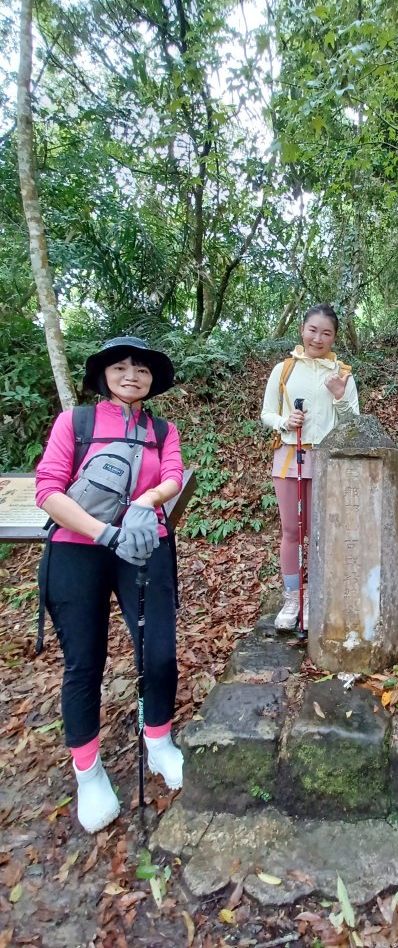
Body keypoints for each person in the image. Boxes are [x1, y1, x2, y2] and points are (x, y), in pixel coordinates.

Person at [36, 336, 185, 833]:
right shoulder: (74, 423)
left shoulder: (162, 429)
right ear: (103, 376)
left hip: (146, 546)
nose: (131, 375)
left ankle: (159, 739)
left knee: (159, 651)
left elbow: (173, 476)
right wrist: (105, 532)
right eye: (120, 367)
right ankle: (88, 770)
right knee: (84, 661)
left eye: (140, 369)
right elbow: (48, 491)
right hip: (78, 551)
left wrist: (143, 506)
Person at [261, 304, 359, 629]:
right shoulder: (285, 369)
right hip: (290, 455)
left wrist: (340, 395)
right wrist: (285, 421)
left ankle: (317, 594)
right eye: (312, 330)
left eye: (326, 332)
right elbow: (267, 413)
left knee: (320, 533)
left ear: (334, 337)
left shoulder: (343, 373)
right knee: (292, 530)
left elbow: (353, 423)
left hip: (327, 460)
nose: (318, 337)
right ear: (302, 329)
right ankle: (293, 598)